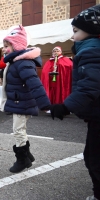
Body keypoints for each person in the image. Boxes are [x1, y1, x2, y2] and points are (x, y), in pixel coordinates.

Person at [50, 5, 100, 200]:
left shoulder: (91, 52)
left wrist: (66, 106)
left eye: (76, 31)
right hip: (95, 115)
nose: (73, 36)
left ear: (92, 31)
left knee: (94, 159)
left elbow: (90, 86)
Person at [0, 25, 51, 173]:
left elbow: (34, 83)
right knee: (20, 129)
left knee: (18, 130)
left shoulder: (23, 62)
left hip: (22, 102)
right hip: (20, 101)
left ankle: (22, 160)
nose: (3, 49)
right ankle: (27, 154)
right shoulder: (16, 61)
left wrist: (45, 104)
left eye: (6, 46)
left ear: (16, 45)